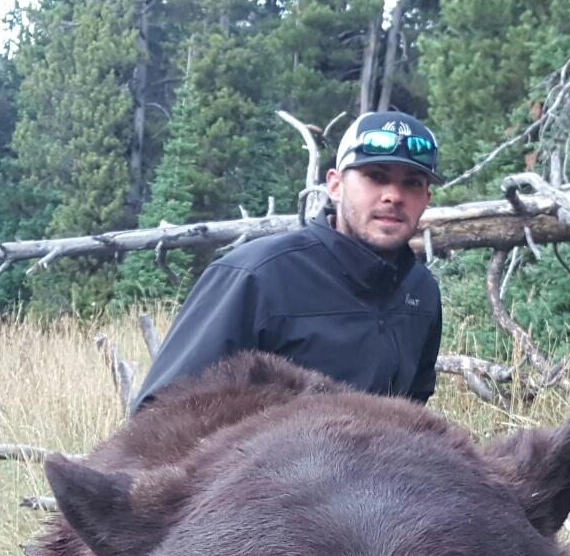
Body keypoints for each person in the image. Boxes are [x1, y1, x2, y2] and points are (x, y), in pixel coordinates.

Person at [130, 112, 444, 411]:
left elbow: (412, 407)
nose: (394, 196)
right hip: (256, 465)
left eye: (412, 183)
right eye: (376, 177)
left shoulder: (420, 293)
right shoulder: (258, 275)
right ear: (335, 185)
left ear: (427, 199)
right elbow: (158, 415)